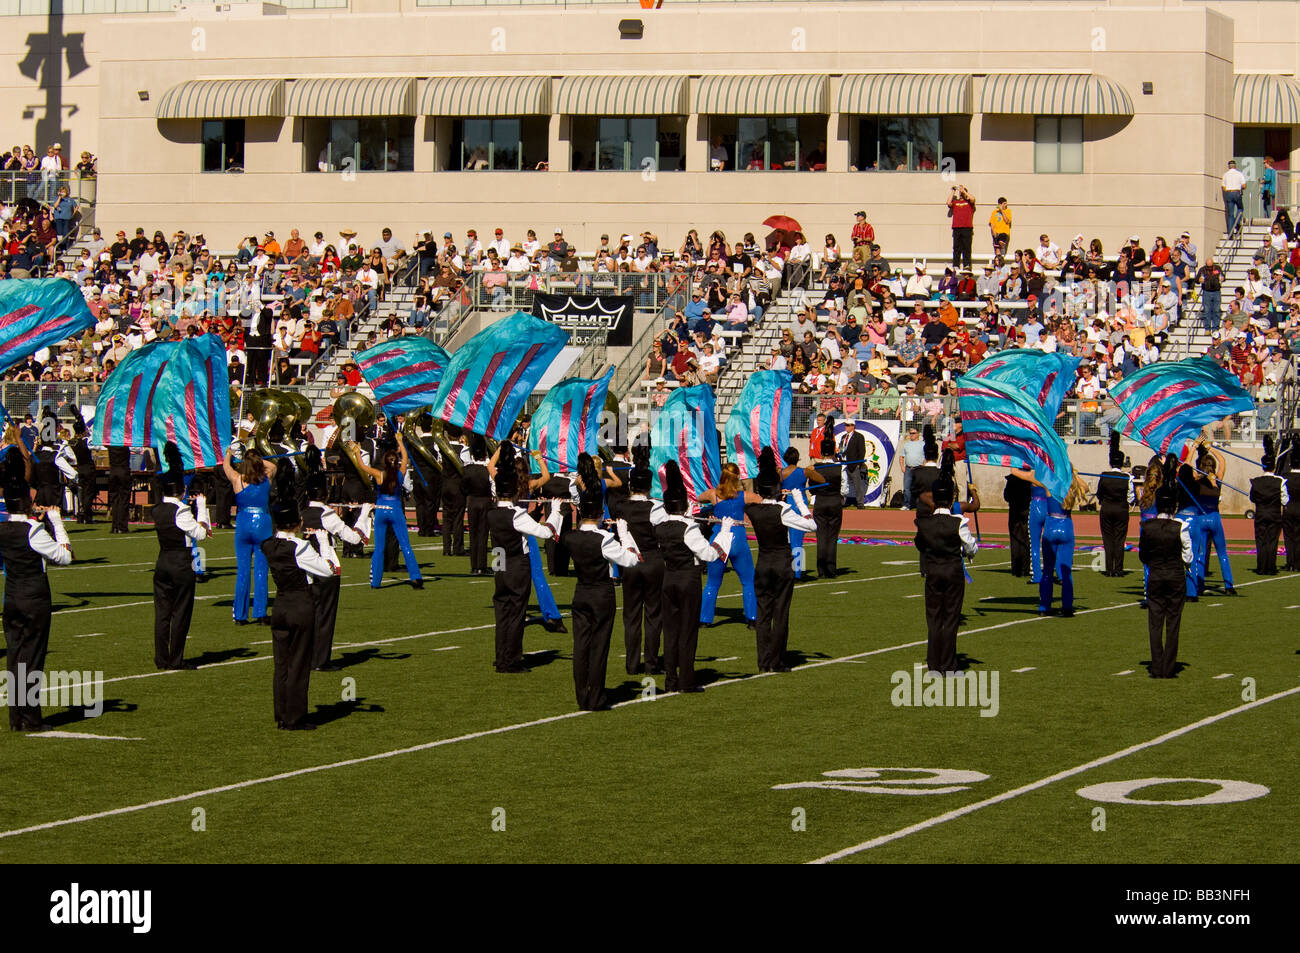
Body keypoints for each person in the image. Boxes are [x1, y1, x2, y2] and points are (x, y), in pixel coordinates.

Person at [0, 470, 73, 731]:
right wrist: (56, 522)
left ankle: (16, 718)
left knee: (15, 657)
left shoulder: (4, 527)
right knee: (32, 658)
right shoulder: (33, 530)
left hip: (11, 595)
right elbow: (65, 557)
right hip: (34, 597)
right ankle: (30, 719)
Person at [654, 461, 732, 693]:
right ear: (684, 506)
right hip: (687, 579)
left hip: (668, 579)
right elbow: (708, 554)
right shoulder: (689, 527)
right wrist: (724, 534)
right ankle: (686, 680)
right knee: (687, 630)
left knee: (670, 631)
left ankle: (670, 679)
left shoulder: (660, 527)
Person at [487, 442, 563, 673]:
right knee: (516, 612)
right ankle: (511, 660)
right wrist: (556, 512)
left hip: (498, 560)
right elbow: (545, 532)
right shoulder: (517, 514)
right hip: (515, 562)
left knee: (502, 612)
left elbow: (491, 468)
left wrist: (500, 451)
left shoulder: (492, 512)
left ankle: (502, 657)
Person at [262, 499, 337, 729]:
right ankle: (295, 716)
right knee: (299, 663)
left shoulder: (269, 545)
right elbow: (328, 570)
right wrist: (323, 542)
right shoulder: (300, 547)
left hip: (281, 605)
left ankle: (282, 714)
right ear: (296, 523)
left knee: (281, 663)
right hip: (300, 605)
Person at [565, 482, 640, 710]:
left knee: (580, 646)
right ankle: (596, 696)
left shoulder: (571, 537)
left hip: (581, 592)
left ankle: (582, 696)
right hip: (601, 594)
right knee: (599, 646)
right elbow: (631, 560)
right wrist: (624, 534)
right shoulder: (604, 539)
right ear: (599, 513)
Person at [748, 447, 816, 672]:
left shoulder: (753, 510)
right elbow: (811, 524)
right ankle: (776, 660)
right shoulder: (783, 510)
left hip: (763, 564)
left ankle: (763, 661)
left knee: (763, 614)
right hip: (781, 564)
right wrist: (798, 498)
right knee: (780, 613)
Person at [301, 448, 366, 671]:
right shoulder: (326, 515)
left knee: (309, 615)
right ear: (325, 493)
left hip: (303, 570)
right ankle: (320, 660)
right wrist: (365, 514)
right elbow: (353, 538)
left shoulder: (301, 513)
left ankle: (307, 657)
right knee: (325, 616)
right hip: (325, 568)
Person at [913, 459, 978, 675]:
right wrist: (966, 553)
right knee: (951, 618)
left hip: (933, 571)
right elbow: (971, 547)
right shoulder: (959, 522)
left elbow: (919, 544)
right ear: (950, 499)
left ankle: (934, 665)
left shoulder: (924, 523)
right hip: (953, 572)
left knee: (933, 619)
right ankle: (949, 665)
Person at [152, 442, 208, 671]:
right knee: (181, 612)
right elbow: (201, 534)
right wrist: (202, 508)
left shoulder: (157, 510)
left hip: (162, 560)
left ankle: (161, 657)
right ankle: (176, 658)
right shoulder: (181, 510)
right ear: (181, 492)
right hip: (180, 563)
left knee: (162, 613)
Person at [613, 445, 665, 675]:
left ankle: (632, 664)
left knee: (631, 615)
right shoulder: (656, 507)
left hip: (630, 562)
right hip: (653, 560)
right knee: (653, 615)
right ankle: (651, 663)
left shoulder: (621, 506)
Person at [1140, 456, 1193, 679]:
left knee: (1154, 622)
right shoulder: (1180, 526)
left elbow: (1143, 555)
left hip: (1156, 575)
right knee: (1173, 622)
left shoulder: (1148, 526)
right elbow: (1188, 556)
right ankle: (1168, 668)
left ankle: (1156, 665)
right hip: (1175, 576)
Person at [351, 435, 424, 589]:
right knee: (405, 545)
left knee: (379, 547)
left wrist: (357, 452)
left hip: (381, 510)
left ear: (384, 462)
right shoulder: (401, 472)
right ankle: (416, 577)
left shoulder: (379, 475)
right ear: (395, 462)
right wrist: (399, 441)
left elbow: (362, 467)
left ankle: (375, 582)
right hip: (396, 509)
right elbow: (405, 457)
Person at [698, 462, 758, 627]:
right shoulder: (744, 495)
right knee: (748, 580)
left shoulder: (713, 494)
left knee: (712, 582)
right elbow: (762, 500)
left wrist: (711, 509)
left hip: (719, 537)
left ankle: (705, 619)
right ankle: (752, 618)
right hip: (737, 537)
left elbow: (699, 498)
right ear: (737, 477)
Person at [223, 445, 277, 624]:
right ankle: (260, 613)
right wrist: (257, 459)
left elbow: (226, 467)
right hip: (262, 522)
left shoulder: (238, 480)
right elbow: (273, 466)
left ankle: (240, 615)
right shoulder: (266, 478)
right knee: (261, 570)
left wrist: (229, 455)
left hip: (244, 523)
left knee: (243, 571)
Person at [1191, 442, 1236, 595]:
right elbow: (1223, 461)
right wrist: (1210, 448)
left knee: (1201, 554)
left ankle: (1200, 585)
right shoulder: (1217, 478)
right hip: (1214, 517)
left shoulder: (1196, 479)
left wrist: (1193, 448)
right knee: (1222, 553)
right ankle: (1229, 586)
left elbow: (1186, 465)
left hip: (1201, 517)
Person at [1096, 432, 1136, 576]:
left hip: (1106, 508)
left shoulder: (1104, 475)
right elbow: (1131, 497)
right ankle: (1118, 569)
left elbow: (1099, 493)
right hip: (1121, 509)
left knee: (1108, 539)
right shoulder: (1127, 478)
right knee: (1120, 539)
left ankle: (1109, 569)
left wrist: (1104, 500)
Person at [781, 446, 823, 579]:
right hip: (799, 505)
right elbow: (822, 480)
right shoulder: (804, 471)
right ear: (797, 458)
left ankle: (787, 570)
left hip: (785, 505)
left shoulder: (781, 473)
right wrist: (812, 470)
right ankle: (797, 573)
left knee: (785, 541)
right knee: (797, 541)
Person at [1249, 435, 1289, 575]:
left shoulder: (1256, 481)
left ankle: (1261, 567)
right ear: (1274, 466)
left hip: (1260, 513)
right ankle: (1270, 567)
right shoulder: (1280, 481)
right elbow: (1285, 501)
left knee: (1260, 541)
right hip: (1274, 514)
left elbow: (1252, 498)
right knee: (1272, 541)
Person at [805, 432, 843, 579]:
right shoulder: (839, 467)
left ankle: (821, 569)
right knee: (832, 537)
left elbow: (811, 488)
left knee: (821, 536)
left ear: (821, 452)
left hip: (820, 501)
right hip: (834, 502)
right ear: (833, 451)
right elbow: (844, 489)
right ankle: (831, 569)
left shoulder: (815, 468)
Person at [463, 433, 493, 576]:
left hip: (472, 501)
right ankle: (481, 565)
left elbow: (463, 488)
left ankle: (474, 566)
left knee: (473, 534)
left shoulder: (467, 469)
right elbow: (493, 488)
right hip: (485, 501)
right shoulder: (488, 469)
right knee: (482, 534)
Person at [440, 426, 467, 557]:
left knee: (446, 518)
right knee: (458, 518)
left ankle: (446, 548)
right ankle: (458, 547)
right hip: (458, 486)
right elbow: (466, 467)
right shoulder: (463, 449)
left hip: (445, 485)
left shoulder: (442, 447)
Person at [1004, 472, 1032, 577]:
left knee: (1015, 538)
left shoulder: (1012, 480)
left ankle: (1016, 568)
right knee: (1025, 537)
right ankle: (1025, 567)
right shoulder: (1028, 479)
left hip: (1015, 509)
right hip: (1025, 509)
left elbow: (1006, 496)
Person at [839, 419, 867, 507]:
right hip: (843, 463)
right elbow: (842, 448)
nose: (846, 427)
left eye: (847, 425)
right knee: (844, 483)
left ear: (852, 426)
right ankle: (843, 502)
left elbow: (862, 451)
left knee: (857, 484)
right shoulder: (844, 436)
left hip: (853, 463)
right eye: (845, 425)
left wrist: (858, 464)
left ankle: (860, 502)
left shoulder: (859, 436)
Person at [107, 444, 132, 533]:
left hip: (113, 471)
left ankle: (115, 526)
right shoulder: (125, 444)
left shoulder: (110, 445)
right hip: (123, 471)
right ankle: (122, 526)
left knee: (114, 500)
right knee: (124, 500)